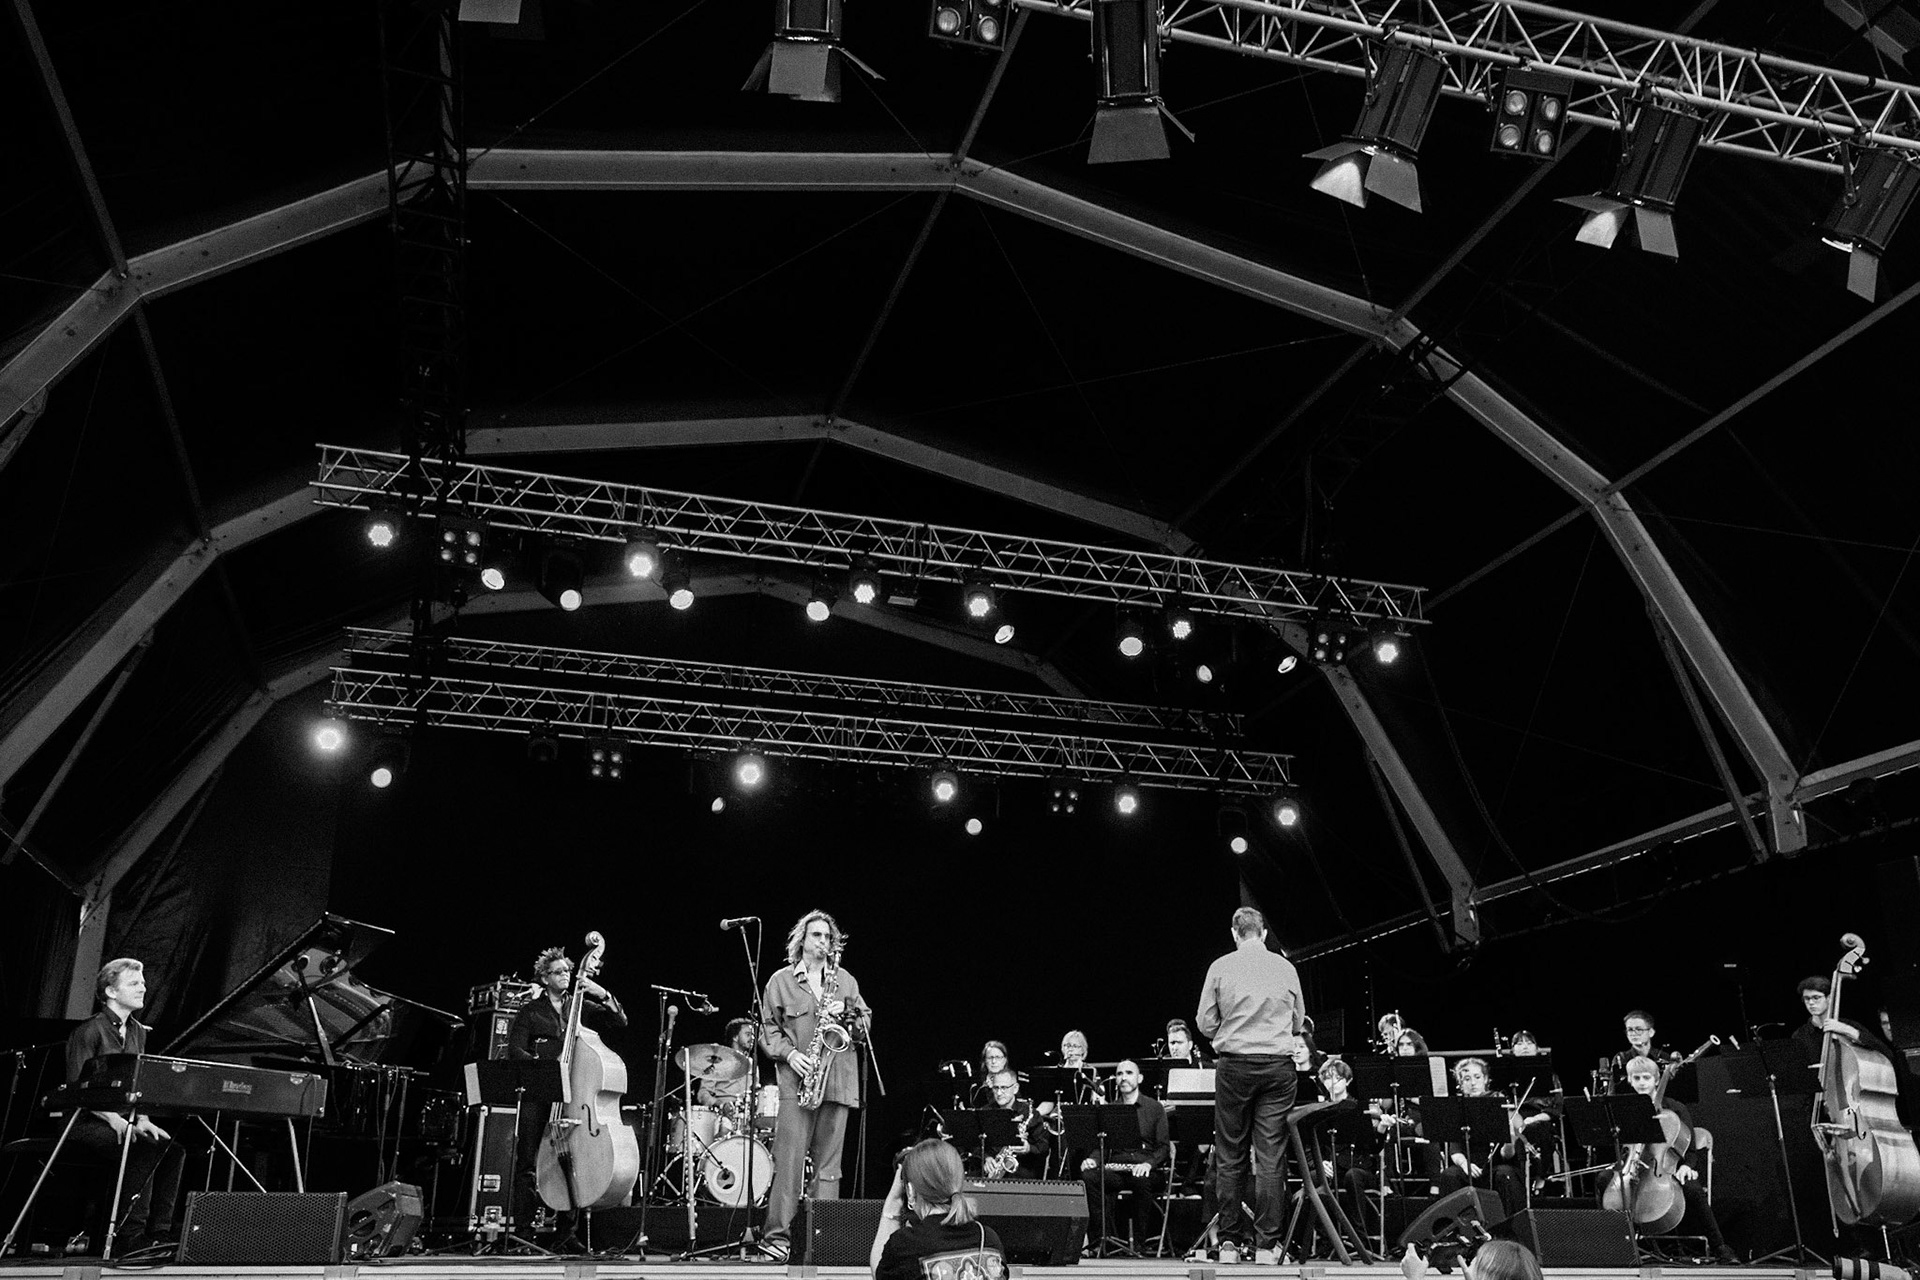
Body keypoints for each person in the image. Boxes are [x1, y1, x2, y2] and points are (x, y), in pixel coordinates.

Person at [1196, 906, 1305, 1264]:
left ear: (1234, 933)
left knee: (1230, 1155)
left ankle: (1227, 1244)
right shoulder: (1285, 967)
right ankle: (1267, 1248)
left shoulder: (1221, 966)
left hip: (1235, 1066)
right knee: (1271, 1155)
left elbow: (1205, 1022)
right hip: (1277, 1067)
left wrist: (1232, 1031)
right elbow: (1297, 1021)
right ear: (1264, 933)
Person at [761, 910, 872, 1261]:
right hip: (798, 1081)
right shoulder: (780, 981)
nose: (824, 942)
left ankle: (821, 1241)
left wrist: (850, 1014)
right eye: (817, 936)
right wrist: (791, 1055)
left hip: (837, 1081)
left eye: (828, 937)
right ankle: (777, 1238)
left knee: (829, 1169)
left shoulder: (846, 981)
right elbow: (768, 1029)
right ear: (802, 940)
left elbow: (865, 1024)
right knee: (788, 1162)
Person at [62, 958, 184, 1253]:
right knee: (141, 1147)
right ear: (111, 992)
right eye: (134, 983)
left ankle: (159, 1232)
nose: (143, 988)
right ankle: (129, 1235)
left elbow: (137, 1080)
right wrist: (112, 1119)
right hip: (86, 1121)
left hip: (123, 1119)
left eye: (142, 982)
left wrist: (141, 1118)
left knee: (172, 1149)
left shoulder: (139, 1031)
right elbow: (79, 1089)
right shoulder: (89, 1032)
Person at [508, 945, 629, 1238]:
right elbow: (515, 1050)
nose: (566, 976)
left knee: (572, 1159)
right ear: (544, 978)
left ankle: (566, 1233)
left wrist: (600, 992)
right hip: (540, 1093)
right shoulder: (530, 1012)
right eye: (558, 972)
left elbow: (620, 1021)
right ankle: (523, 1232)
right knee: (527, 1162)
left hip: (573, 1097)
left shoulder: (581, 1006)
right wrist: (543, 1067)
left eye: (568, 971)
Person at [1609, 1056, 1737, 1265]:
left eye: (1646, 1077)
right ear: (1630, 1081)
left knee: (1694, 1190)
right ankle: (1618, 1246)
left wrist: (1687, 1167)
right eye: (1637, 1078)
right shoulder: (1627, 1108)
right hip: (1633, 1166)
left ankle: (1720, 1247)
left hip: (1666, 1169)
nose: (1642, 1082)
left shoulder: (1675, 1108)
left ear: (1657, 1079)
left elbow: (1691, 1149)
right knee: (1603, 1179)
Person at [871, 1138, 1007, 1280]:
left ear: (910, 1190)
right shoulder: (989, 1238)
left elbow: (879, 1275)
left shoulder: (906, 1244)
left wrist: (893, 1202)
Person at [1077, 1059, 1169, 1251]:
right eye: (1119, 1074)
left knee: (1141, 1180)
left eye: (1129, 1073)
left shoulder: (1154, 1108)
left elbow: (1163, 1148)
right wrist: (1093, 1160)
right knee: (1090, 1177)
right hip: (1118, 1170)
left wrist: (1148, 1164)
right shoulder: (1111, 1109)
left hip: (1145, 1168)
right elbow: (1102, 1143)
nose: (1123, 1078)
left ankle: (1139, 1243)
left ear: (1140, 1078)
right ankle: (1099, 1242)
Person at [981, 1070, 1051, 1179]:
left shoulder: (1030, 1113)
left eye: (1004, 1088)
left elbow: (1044, 1146)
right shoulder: (985, 1112)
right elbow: (974, 1143)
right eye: (996, 1088)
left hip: (1022, 1169)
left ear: (1015, 1088)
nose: (999, 1093)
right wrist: (986, 1158)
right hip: (990, 1168)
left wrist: (1028, 1148)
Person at [697, 1016, 764, 1109]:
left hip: (745, 1113)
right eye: (748, 1034)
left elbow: (756, 1091)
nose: (752, 1038)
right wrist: (720, 1104)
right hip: (722, 1112)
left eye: (753, 1035)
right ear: (735, 1037)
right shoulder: (718, 1060)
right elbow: (703, 1093)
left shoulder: (752, 1063)